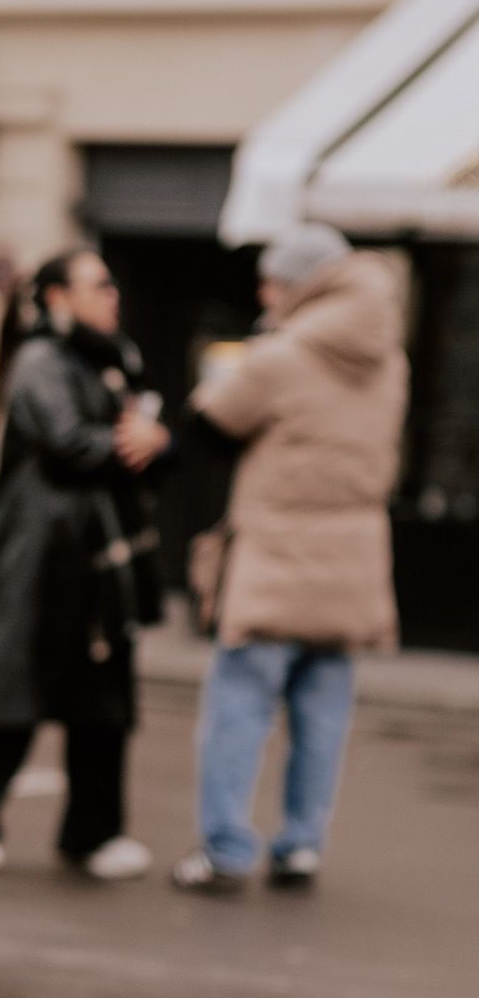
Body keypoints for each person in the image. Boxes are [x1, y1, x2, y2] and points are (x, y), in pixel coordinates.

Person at [172, 224, 407, 893]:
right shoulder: (390, 358)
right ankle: (301, 845)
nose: (264, 294)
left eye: (273, 282)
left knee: (239, 711)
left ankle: (225, 851)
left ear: (304, 286)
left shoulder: (283, 354)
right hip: (353, 566)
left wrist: (243, 358)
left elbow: (208, 424)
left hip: (276, 562)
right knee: (323, 720)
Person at [0, 248, 168, 882]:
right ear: (58, 297)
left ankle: (94, 833)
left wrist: (154, 440)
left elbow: (135, 442)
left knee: (103, 698)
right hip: (39, 558)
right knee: (12, 688)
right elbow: (70, 444)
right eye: (98, 284)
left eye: (112, 283)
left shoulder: (115, 359)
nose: (113, 294)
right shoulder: (41, 361)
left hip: (99, 558)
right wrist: (140, 440)